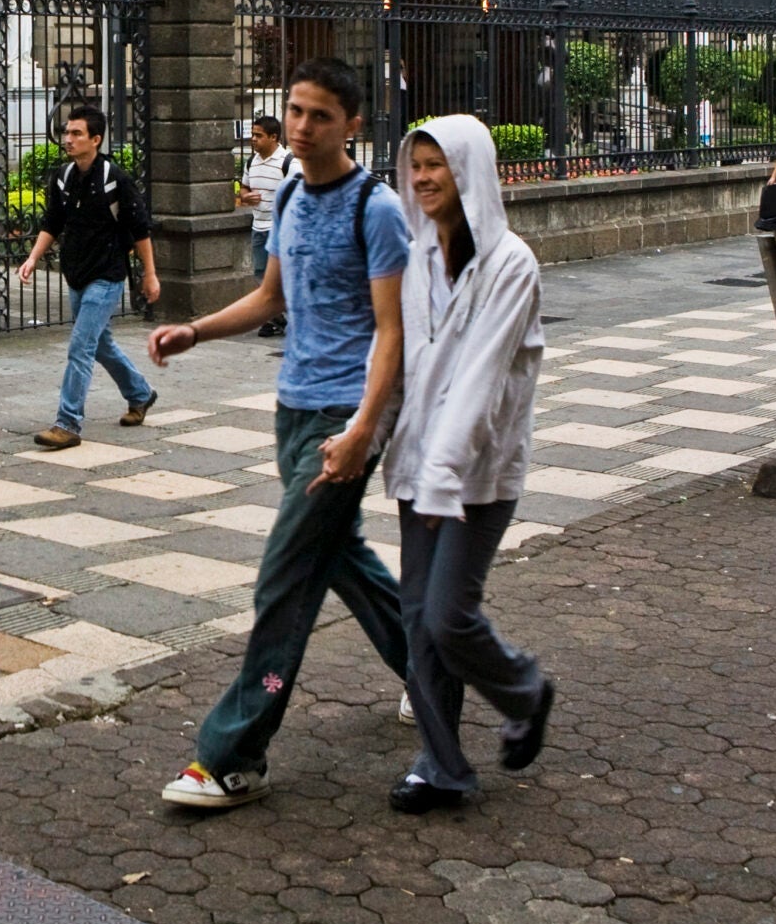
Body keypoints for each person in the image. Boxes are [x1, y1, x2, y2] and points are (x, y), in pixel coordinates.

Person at [148, 57, 412, 811]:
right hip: (293, 407)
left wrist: (365, 429)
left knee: (284, 576)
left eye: (319, 115)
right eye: (294, 110)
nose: (300, 126)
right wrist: (196, 330)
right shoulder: (291, 191)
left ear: (351, 123)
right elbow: (270, 297)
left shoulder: (377, 209)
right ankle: (434, 669)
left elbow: (392, 333)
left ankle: (233, 755)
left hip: (344, 416)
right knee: (340, 558)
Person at [382, 117, 554, 813]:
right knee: (417, 622)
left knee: (449, 615)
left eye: (438, 165)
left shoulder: (512, 264)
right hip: (418, 464)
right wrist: (368, 438)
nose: (424, 177)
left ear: (469, 171)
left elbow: (480, 378)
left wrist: (443, 477)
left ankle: (525, 690)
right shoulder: (416, 256)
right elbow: (398, 362)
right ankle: (441, 766)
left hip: (478, 472)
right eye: (417, 164)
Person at [17, 104, 161, 449]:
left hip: (107, 276)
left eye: (76, 133)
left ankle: (67, 423)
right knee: (101, 344)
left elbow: (141, 230)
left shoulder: (115, 179)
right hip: (77, 274)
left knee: (81, 346)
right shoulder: (63, 176)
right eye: (67, 132)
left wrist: (150, 275)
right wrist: (33, 258)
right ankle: (140, 394)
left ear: (95, 139)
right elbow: (53, 222)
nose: (68, 139)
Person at [235, 115, 297, 338]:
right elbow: (243, 188)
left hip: (280, 229)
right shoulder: (251, 162)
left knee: (283, 276)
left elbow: (301, 195)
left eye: (258, 135)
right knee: (261, 273)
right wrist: (245, 196)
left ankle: (295, 318)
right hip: (258, 227)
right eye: (252, 135)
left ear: (273, 137)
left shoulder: (289, 163)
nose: (253, 139)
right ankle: (274, 318)